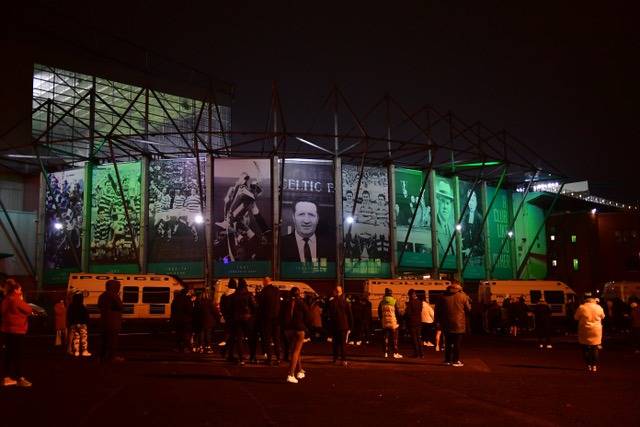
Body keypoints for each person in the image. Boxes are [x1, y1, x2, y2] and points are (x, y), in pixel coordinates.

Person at [1, 279, 33, 387]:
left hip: (6, 330)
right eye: (20, 289)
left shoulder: (6, 300)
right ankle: (20, 378)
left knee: (8, 355)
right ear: (15, 289)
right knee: (18, 355)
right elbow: (28, 310)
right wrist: (21, 299)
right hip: (17, 331)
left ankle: (6, 378)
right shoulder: (16, 299)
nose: (21, 290)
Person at [437, 282, 471, 367]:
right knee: (457, 344)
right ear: (459, 289)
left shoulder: (442, 296)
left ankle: (447, 360)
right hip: (458, 324)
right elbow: (468, 309)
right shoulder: (463, 296)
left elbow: (437, 310)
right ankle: (455, 360)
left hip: (446, 324)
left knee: (448, 343)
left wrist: (438, 322)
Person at [281, 287, 309, 383]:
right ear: (299, 294)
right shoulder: (301, 303)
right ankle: (291, 374)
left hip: (288, 330)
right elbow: (308, 316)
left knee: (295, 351)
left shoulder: (285, 303)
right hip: (299, 329)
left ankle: (300, 370)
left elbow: (281, 315)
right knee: (296, 351)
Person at [575, 294, 605, 372]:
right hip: (596, 330)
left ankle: (588, 364)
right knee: (594, 347)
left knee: (585, 348)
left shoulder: (581, 307)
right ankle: (594, 366)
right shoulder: (599, 307)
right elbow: (603, 316)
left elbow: (576, 317)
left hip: (584, 329)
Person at [230, 278, 256, 365]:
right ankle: (252, 357)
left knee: (239, 339)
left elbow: (231, 308)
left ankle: (241, 359)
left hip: (237, 319)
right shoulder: (249, 294)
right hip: (248, 319)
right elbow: (254, 306)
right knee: (251, 339)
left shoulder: (234, 295)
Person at [98, 279, 123, 363]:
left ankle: (102, 356)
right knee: (113, 341)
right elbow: (120, 306)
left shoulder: (102, 296)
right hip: (113, 322)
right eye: (118, 286)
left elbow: (99, 306)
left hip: (104, 321)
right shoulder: (114, 296)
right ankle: (112, 357)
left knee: (104, 341)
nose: (119, 288)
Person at [258, 276, 281, 365]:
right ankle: (278, 357)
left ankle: (269, 358)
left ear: (265, 281)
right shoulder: (277, 290)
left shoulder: (264, 291)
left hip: (267, 319)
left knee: (267, 339)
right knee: (276, 339)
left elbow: (261, 306)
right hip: (277, 319)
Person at [327, 286, 352, 366]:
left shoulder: (331, 302)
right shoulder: (346, 302)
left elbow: (329, 315)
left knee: (335, 343)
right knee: (343, 343)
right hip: (344, 326)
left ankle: (335, 358)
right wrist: (350, 326)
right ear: (341, 292)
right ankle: (344, 360)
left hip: (335, 325)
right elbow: (350, 315)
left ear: (335, 292)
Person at [378, 288, 403, 359]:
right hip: (393, 322)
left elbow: (379, 313)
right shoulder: (394, 301)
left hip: (385, 322)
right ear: (391, 294)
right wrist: (399, 320)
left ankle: (385, 353)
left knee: (385, 337)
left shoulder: (382, 302)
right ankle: (395, 353)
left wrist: (382, 319)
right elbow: (397, 313)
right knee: (394, 338)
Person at [435, 180, 456, 257]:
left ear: (450, 206)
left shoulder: (453, 229)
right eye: (442, 202)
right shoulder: (432, 225)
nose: (445, 207)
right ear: (438, 202)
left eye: (447, 203)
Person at [170, 288, 194, 353]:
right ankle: (186, 348)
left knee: (178, 334)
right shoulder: (187, 300)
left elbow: (173, 311)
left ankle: (177, 348)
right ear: (186, 293)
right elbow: (190, 310)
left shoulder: (175, 300)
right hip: (186, 320)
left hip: (177, 320)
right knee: (186, 335)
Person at [67, 292, 91, 357]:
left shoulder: (71, 306)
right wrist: (87, 322)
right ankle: (84, 351)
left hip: (74, 324)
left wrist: (70, 323)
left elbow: (69, 315)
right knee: (83, 338)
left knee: (76, 338)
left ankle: (76, 351)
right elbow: (86, 316)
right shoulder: (82, 306)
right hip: (82, 324)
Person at [405, 289, 424, 358]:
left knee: (414, 339)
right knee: (419, 338)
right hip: (419, 322)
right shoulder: (420, 302)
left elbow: (408, 314)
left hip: (412, 323)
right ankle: (421, 354)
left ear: (410, 295)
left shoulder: (410, 303)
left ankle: (416, 354)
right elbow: (420, 310)